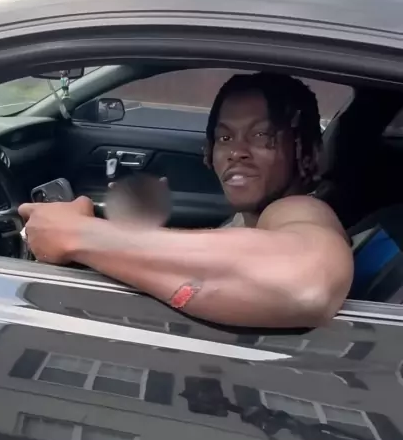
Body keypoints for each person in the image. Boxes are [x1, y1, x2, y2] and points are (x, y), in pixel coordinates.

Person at [18, 72, 353, 328]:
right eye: (225, 137)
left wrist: (77, 234)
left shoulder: (300, 207)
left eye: (261, 135)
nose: (236, 151)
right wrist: (143, 239)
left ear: (308, 150)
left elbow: (305, 281)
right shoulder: (256, 219)